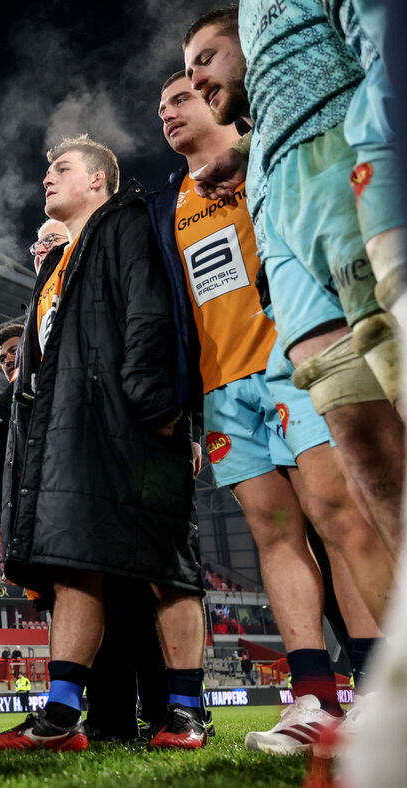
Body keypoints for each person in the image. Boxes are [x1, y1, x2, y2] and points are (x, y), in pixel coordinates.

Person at [152, 68, 388, 752]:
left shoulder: (267, 156)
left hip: (296, 358)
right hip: (224, 388)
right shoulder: (168, 205)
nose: (168, 112)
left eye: (183, 97)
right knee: (272, 534)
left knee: (338, 513)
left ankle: (378, 688)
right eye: (160, 106)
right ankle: (314, 701)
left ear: (221, 96)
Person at [0, 135, 206, 753]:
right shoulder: (59, 265)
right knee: (74, 565)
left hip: (131, 420)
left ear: (99, 181)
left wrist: (158, 406)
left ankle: (186, 712)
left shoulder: (126, 223)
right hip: (73, 433)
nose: (46, 178)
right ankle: (61, 716)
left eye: (61, 168)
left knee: (167, 565)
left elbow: (151, 312)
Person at [184, 6, 404, 557]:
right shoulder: (257, 99)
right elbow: (277, 80)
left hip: (345, 162)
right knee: (354, 426)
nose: (197, 81)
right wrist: (242, 151)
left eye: (205, 61)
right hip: (278, 219)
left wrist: (382, 151)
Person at [0, 323, 25, 513]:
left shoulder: (56, 391)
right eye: (2, 358)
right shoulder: (3, 413)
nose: (8, 360)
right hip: (18, 516)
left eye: (14, 351)